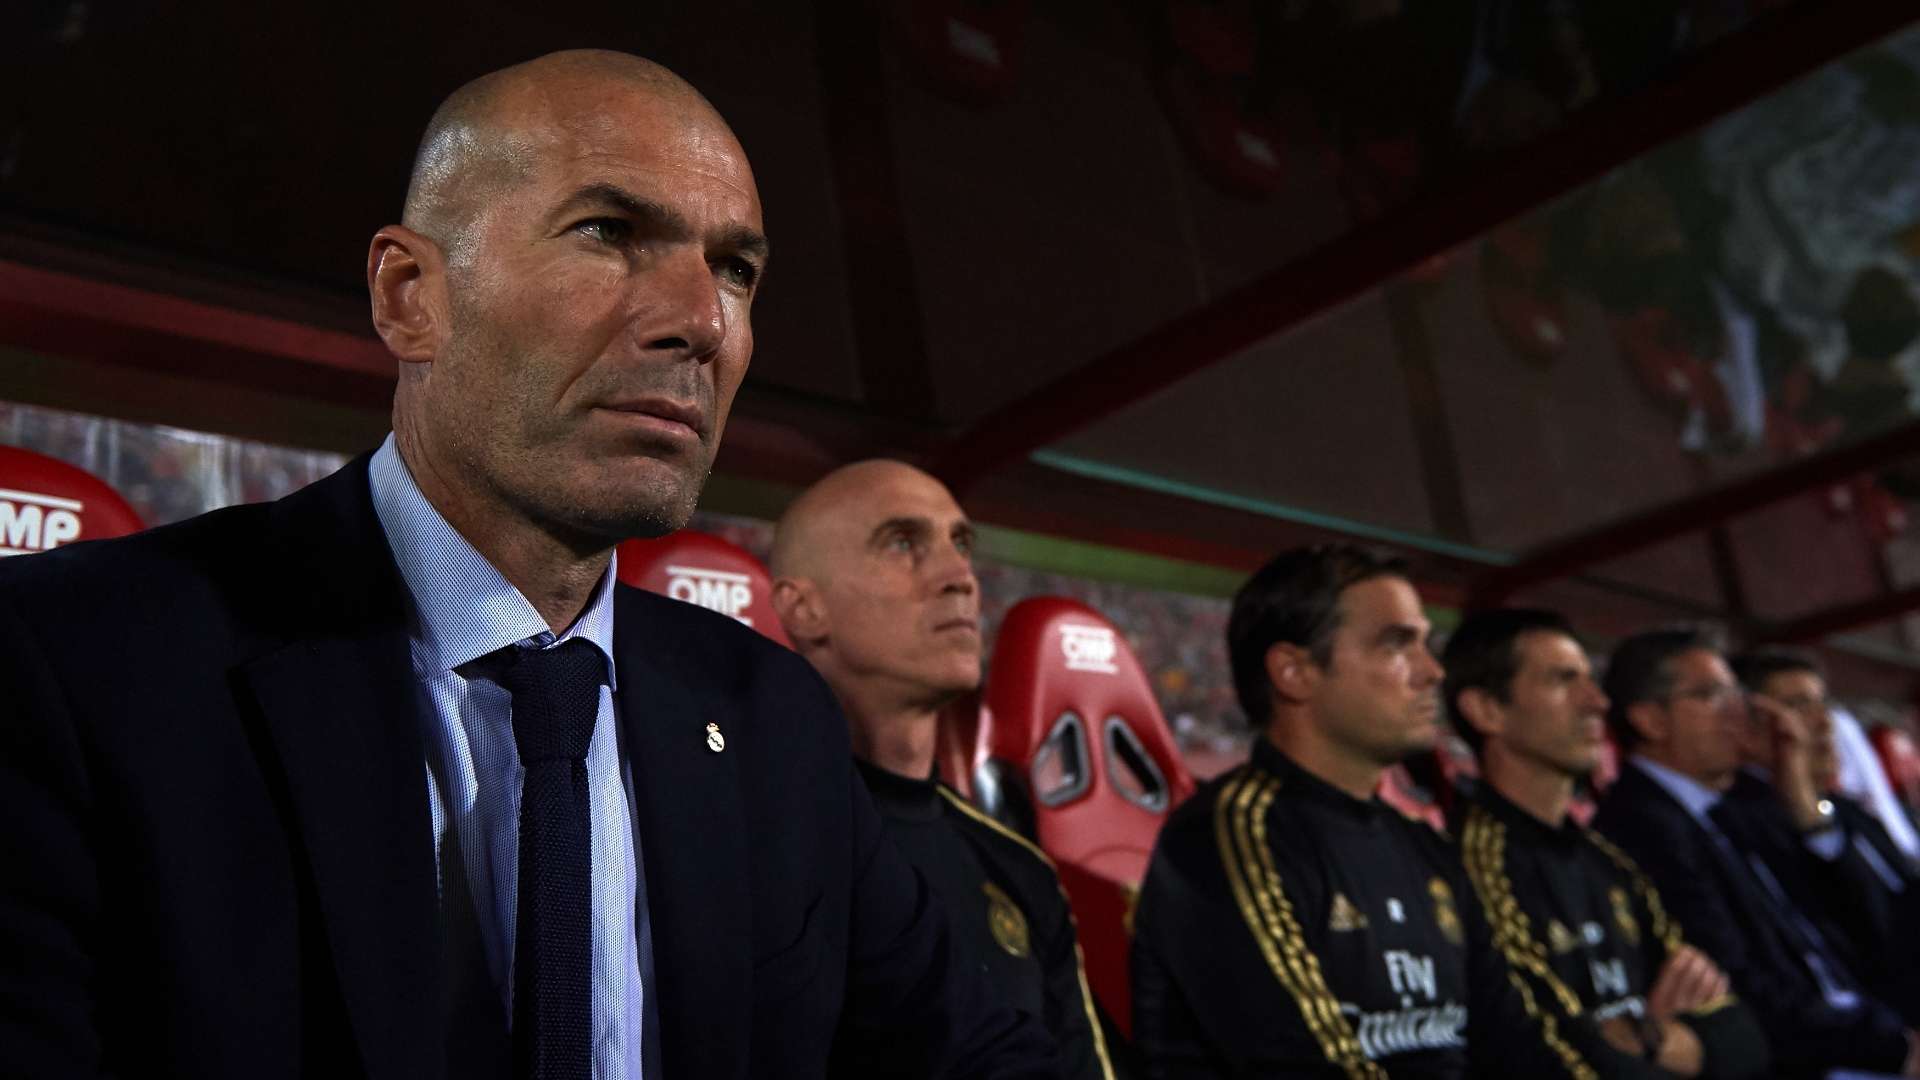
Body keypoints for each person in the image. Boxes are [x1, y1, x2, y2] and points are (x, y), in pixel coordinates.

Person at [0, 50, 1055, 1080]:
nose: (701, 322)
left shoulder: (772, 715)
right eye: (610, 232)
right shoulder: (77, 666)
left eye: (735, 269)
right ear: (411, 294)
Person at [1129, 543, 1612, 1078]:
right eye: (1396, 645)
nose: (1432, 672)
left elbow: (1522, 1044)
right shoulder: (1229, 837)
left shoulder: (1425, 849)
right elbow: (1304, 1063)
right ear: (1295, 672)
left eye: (1426, 645)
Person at [768, 458, 1116, 1080]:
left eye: (961, 544)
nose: (960, 576)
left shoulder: (1017, 868)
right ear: (803, 608)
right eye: (904, 542)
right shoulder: (757, 845)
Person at [1443, 609, 1768, 1077]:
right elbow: (1557, 1056)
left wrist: (1646, 1037)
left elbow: (1747, 1041)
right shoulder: (1474, 863)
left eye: (1591, 682)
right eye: (1562, 681)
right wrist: (1671, 1042)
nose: (1596, 702)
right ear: (1487, 710)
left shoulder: (1609, 860)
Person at [1594, 628, 1920, 1078]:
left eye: (1735, 694)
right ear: (1651, 721)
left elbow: (1872, 924)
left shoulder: (1744, 803)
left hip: (1868, 1026)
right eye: (1711, 695)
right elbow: (1740, 984)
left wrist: (1802, 795)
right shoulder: (1640, 824)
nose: (1737, 712)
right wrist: (1894, 1046)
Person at [1727, 647, 1920, 1023]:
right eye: (1797, 706)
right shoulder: (1743, 821)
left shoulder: (1848, 811)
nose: (1823, 721)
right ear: (1749, 723)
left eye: (1821, 703)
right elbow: (1870, 933)